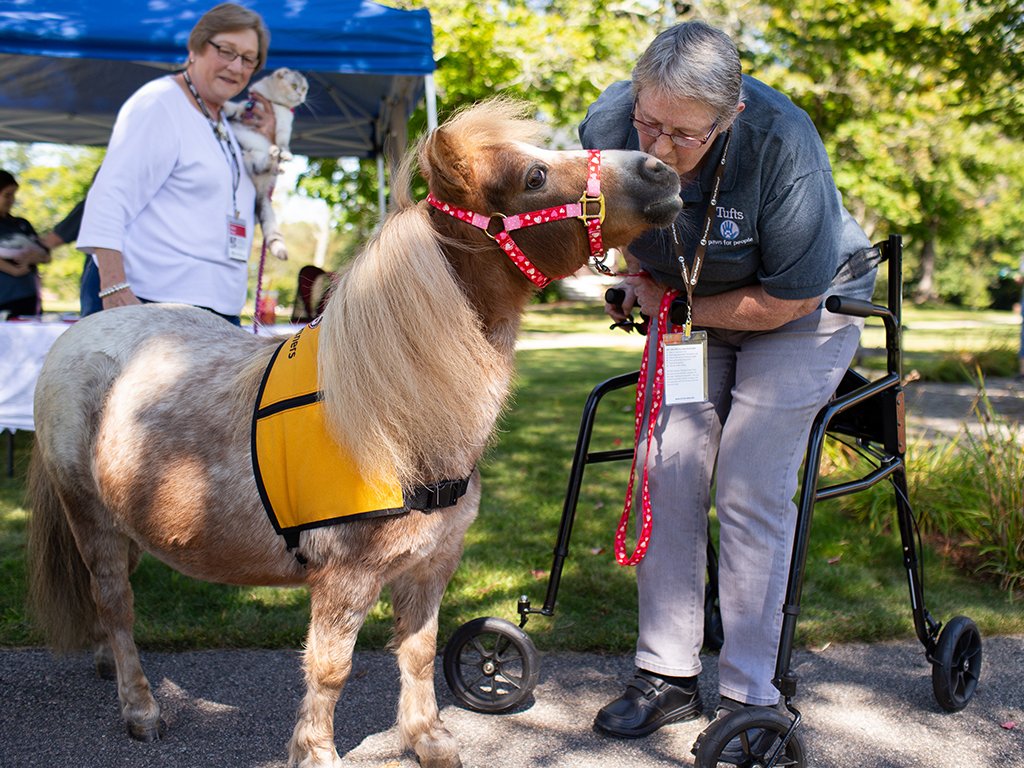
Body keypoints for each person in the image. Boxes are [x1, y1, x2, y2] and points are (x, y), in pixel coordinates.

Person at [578, 20, 879, 757]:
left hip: (801, 315)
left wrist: (672, 304)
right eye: (650, 122)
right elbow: (611, 220)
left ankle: (752, 695)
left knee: (749, 479)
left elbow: (793, 299)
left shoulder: (783, 143)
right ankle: (666, 674)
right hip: (694, 311)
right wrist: (634, 278)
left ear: (730, 114)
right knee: (668, 465)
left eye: (684, 135)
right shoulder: (611, 122)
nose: (657, 148)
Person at [76, 2, 277, 326]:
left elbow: (251, 203)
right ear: (196, 47)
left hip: (217, 308)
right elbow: (110, 196)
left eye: (248, 59)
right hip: (150, 303)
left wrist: (266, 145)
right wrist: (114, 289)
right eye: (226, 51)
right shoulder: (160, 103)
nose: (236, 67)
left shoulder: (225, 121)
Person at [0, 170, 51, 318]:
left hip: (26, 295)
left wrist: (33, 257)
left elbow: (46, 255)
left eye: (13, 195)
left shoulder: (21, 224)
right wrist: (12, 269)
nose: (11, 200)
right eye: (7, 195)